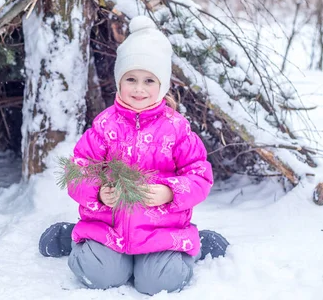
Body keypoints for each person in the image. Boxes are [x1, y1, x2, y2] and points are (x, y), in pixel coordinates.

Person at [39, 15, 229, 295]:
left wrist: (170, 192)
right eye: (131, 79)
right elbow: (78, 170)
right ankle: (76, 238)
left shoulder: (177, 129)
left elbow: (200, 175)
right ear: (119, 81)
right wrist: (99, 192)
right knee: (100, 275)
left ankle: (193, 245)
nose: (139, 89)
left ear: (162, 85)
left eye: (149, 80)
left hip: (161, 231)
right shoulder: (104, 125)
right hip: (109, 229)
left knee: (158, 282)